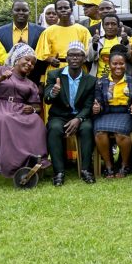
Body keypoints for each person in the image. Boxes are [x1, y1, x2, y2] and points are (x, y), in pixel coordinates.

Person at [0, 43, 49, 177]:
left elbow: (37, 106)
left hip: (20, 109)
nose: (30, 64)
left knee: (36, 122)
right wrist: (1, 78)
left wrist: (32, 109)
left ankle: (35, 159)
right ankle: (11, 163)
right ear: (17, 59)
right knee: (7, 120)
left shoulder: (30, 84)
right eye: (27, 60)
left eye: (33, 63)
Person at [43, 42, 97, 185]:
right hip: (59, 115)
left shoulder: (90, 80)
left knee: (87, 128)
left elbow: (88, 105)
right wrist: (53, 93)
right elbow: (47, 99)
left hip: (80, 115)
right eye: (71, 55)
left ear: (84, 59)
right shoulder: (54, 75)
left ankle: (86, 169)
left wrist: (78, 119)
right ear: (66, 58)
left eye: (78, 55)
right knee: (54, 129)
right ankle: (59, 172)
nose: (74, 58)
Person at [92, 45, 132, 179]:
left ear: (125, 65)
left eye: (121, 64)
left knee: (120, 134)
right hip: (106, 114)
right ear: (109, 64)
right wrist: (97, 107)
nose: (118, 67)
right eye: (115, 64)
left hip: (126, 113)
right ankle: (109, 166)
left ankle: (124, 165)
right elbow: (98, 101)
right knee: (100, 133)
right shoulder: (101, 82)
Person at [34, 0, 91, 73]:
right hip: (56, 69)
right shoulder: (48, 31)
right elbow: (40, 53)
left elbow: (89, 51)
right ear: (56, 11)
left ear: (71, 10)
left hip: (78, 70)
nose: (63, 10)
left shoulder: (83, 30)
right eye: (60, 8)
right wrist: (51, 59)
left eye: (66, 7)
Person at [90, 13, 131, 78]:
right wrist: (94, 45)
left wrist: (126, 43)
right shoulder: (96, 40)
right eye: (107, 24)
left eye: (113, 24)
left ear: (118, 26)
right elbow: (89, 58)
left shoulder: (125, 39)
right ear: (103, 26)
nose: (110, 27)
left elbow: (129, 57)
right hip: (100, 79)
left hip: (121, 79)